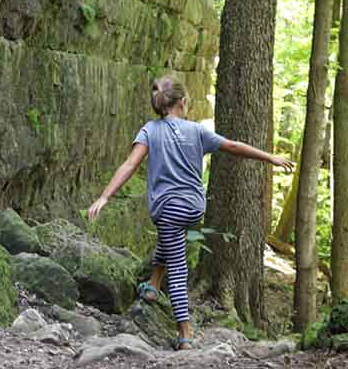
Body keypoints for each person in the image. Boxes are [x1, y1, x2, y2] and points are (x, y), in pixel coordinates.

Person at [87, 76, 295, 350]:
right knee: (170, 241)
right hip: (194, 209)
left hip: (168, 208)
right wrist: (271, 158)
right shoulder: (197, 131)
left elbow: (129, 165)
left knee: (177, 264)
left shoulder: (149, 130)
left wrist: (105, 196)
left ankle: (184, 332)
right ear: (182, 102)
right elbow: (233, 146)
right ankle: (152, 286)